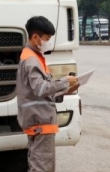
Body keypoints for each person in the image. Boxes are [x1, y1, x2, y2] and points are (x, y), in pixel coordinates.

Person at [16, 16, 79, 172]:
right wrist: (65, 81)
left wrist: (66, 90)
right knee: (41, 167)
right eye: (47, 38)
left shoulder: (34, 57)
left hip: (40, 120)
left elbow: (42, 92)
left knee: (41, 164)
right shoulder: (31, 60)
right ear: (36, 37)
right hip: (39, 122)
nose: (49, 42)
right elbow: (40, 89)